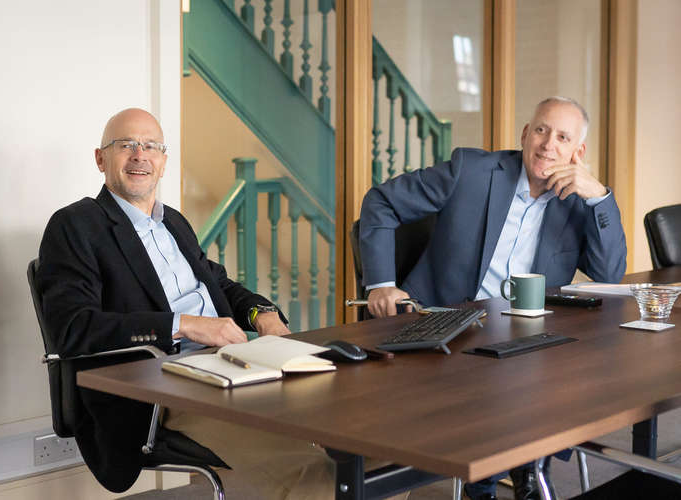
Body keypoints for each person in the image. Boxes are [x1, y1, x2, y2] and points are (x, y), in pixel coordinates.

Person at [35, 108, 335, 498]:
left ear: (163, 162)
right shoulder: (75, 225)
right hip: (163, 391)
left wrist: (262, 313)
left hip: (235, 366)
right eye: (126, 145)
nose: (140, 155)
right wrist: (185, 324)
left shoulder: (172, 222)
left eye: (151, 147)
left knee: (370, 447)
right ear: (100, 158)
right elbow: (73, 328)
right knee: (309, 475)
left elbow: (219, 283)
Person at [359, 97, 627, 500]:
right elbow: (381, 201)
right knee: (516, 378)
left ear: (578, 152)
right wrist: (379, 283)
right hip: (443, 329)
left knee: (566, 370)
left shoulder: (578, 202)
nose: (548, 144)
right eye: (540, 130)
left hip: (523, 338)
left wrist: (599, 196)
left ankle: (524, 468)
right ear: (525, 134)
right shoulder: (472, 172)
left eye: (562, 137)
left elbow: (609, 276)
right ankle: (504, 477)